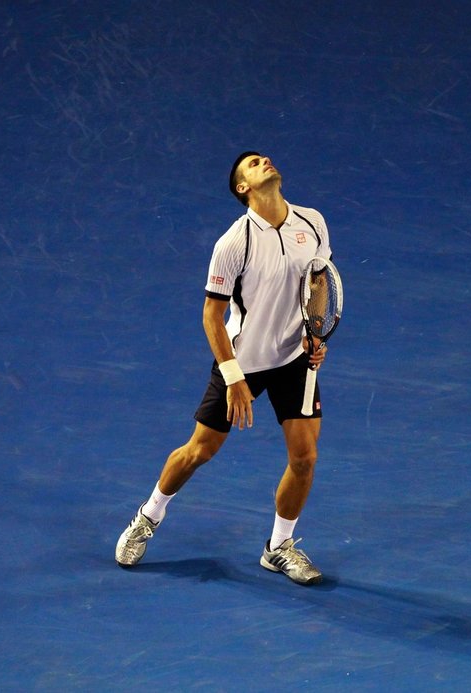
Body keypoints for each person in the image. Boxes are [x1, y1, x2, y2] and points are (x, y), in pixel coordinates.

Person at [114, 151, 333, 586]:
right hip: (243, 362)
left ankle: (279, 548)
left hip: (293, 358)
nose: (264, 161)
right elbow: (212, 317)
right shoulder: (234, 243)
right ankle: (148, 516)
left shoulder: (312, 222)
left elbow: (319, 280)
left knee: (305, 458)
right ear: (242, 188)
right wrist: (234, 378)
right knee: (201, 450)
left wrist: (314, 331)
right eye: (253, 164)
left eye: (263, 158)